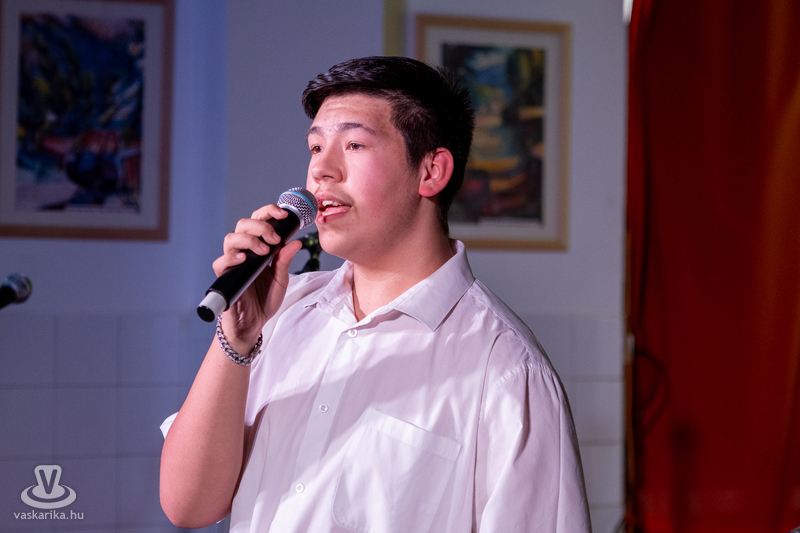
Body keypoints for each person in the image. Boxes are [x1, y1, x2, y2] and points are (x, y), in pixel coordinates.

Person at [160, 56, 591, 532]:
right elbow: (188, 507)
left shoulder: (508, 371)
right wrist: (237, 340)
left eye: (354, 144)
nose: (320, 170)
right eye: (315, 146)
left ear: (431, 171)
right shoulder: (279, 313)